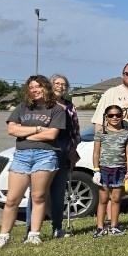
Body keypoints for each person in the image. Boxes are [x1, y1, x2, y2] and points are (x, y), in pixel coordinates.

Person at [0, 75, 67, 249]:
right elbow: (11, 129)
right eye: (31, 87)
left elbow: (52, 135)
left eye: (38, 86)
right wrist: (38, 128)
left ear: (46, 87)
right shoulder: (22, 108)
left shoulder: (56, 109)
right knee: (12, 199)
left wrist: (24, 133)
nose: (35, 90)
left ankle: (34, 234)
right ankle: (3, 236)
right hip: (22, 156)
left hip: (45, 155)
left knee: (38, 196)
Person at [91, 60, 128, 224]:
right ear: (123, 75)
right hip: (117, 150)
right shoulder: (111, 93)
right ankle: (110, 220)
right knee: (112, 187)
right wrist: (101, 146)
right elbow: (99, 123)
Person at [92, 105, 128, 237]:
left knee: (116, 199)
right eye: (111, 115)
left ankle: (114, 226)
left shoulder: (126, 133)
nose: (114, 117)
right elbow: (96, 152)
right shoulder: (101, 133)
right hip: (104, 169)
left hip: (120, 170)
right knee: (103, 199)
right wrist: (96, 170)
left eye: (117, 115)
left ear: (122, 116)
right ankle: (100, 227)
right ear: (106, 117)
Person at [47, 73, 79, 238]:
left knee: (59, 193)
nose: (60, 86)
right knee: (38, 194)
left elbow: (75, 131)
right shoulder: (43, 105)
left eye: (64, 84)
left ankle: (57, 228)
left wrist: (73, 150)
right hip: (45, 151)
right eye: (57, 83)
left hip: (64, 152)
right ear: (51, 85)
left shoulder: (69, 106)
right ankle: (31, 230)